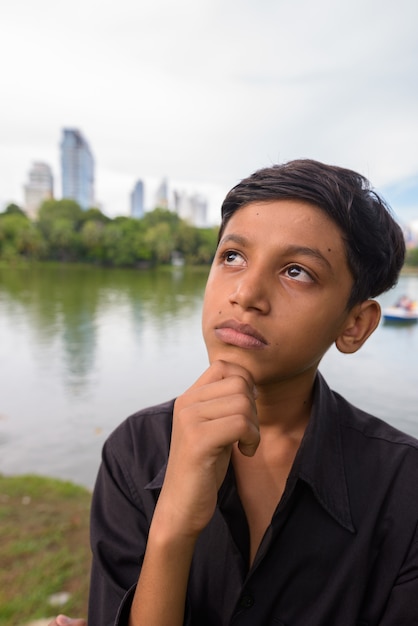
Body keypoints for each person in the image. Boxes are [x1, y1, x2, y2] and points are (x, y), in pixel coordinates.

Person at [49, 159, 418, 626]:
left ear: (355, 324)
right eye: (233, 257)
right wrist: (173, 527)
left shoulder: (404, 488)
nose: (245, 293)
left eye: (297, 271)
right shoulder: (135, 453)